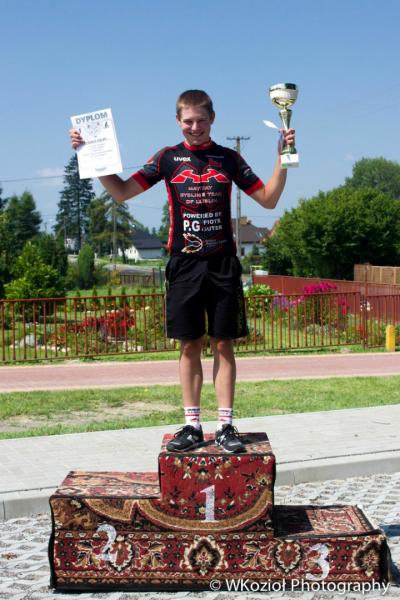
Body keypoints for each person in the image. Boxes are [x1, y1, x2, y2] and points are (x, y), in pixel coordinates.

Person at [69, 89, 295, 454]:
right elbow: (122, 192)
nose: (195, 127)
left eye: (201, 120)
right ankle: (192, 425)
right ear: (177, 121)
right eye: (188, 121)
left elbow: (268, 199)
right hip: (184, 264)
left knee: (223, 344)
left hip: (223, 263)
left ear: (212, 119)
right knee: (189, 344)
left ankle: (225, 426)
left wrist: (282, 158)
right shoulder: (167, 158)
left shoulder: (229, 158)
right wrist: (90, 156)